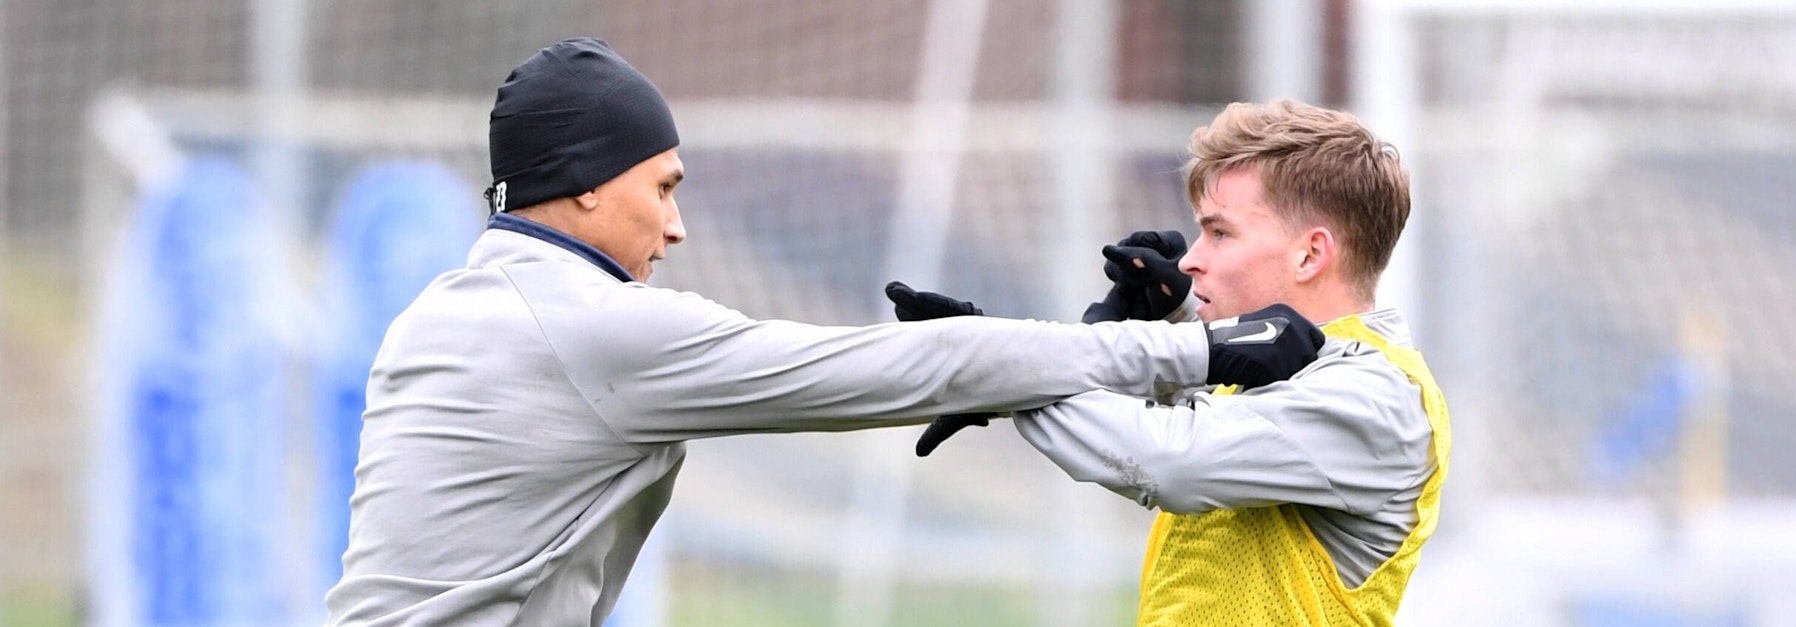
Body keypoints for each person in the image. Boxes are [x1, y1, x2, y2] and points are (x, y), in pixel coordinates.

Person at [322, 39, 1329, 626]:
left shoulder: (445, 310)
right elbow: (888, 369)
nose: (676, 226)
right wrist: (1195, 349)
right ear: (584, 182)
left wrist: (1052, 355)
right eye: (661, 188)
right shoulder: (590, 329)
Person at [891, 100, 1450, 626]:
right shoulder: (1279, 376)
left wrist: (997, 370)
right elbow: (1190, 422)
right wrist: (1174, 318)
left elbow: (1164, 458)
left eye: (1220, 233)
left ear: (1310, 254)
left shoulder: (1375, 391)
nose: (1190, 259)